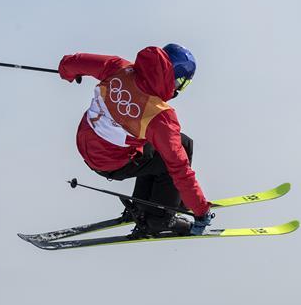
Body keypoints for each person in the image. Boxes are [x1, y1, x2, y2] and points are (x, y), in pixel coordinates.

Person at [58, 43, 213, 237]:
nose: (178, 90)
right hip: (110, 163)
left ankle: (145, 204)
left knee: (172, 144)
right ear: (174, 78)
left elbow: (74, 62)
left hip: (85, 142)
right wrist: (201, 211)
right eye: (182, 83)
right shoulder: (159, 116)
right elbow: (180, 169)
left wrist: (67, 72)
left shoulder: (120, 67)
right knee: (173, 153)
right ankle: (160, 218)